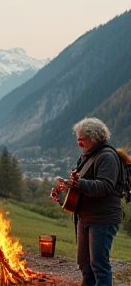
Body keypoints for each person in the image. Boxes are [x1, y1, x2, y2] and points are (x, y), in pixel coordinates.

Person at [62, 117, 123, 286]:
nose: (79, 143)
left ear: (93, 137)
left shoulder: (107, 156)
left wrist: (78, 183)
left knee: (99, 266)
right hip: (86, 217)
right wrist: (72, 183)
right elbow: (84, 183)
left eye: (81, 140)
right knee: (84, 265)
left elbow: (105, 186)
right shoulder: (88, 155)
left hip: (103, 219)